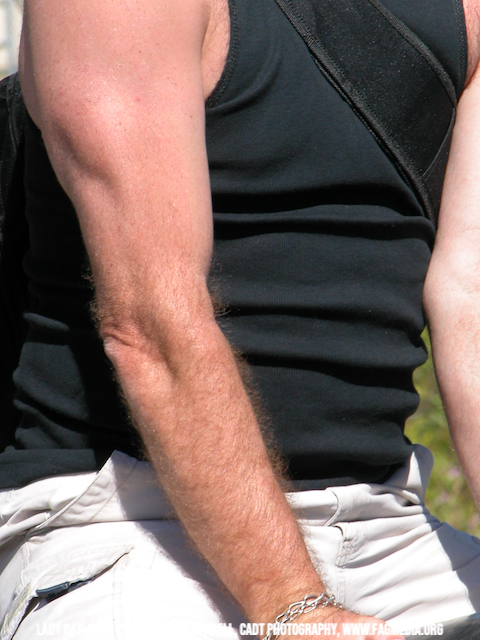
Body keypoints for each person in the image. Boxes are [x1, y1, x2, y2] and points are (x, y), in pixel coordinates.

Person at [1, 0, 480, 638]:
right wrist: (297, 607)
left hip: (388, 524)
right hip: (127, 518)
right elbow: (151, 325)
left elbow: (470, 299)